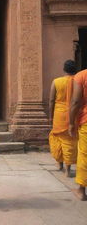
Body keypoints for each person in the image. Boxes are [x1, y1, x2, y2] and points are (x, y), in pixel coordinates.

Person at [49, 60, 78, 177]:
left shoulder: (56, 82)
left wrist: (50, 116)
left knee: (58, 138)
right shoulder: (78, 81)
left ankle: (60, 164)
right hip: (73, 114)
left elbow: (51, 101)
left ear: (64, 69)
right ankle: (67, 170)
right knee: (70, 141)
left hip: (59, 114)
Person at [69, 66, 87, 201]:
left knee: (84, 155)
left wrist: (71, 123)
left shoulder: (81, 76)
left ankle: (81, 191)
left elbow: (75, 101)